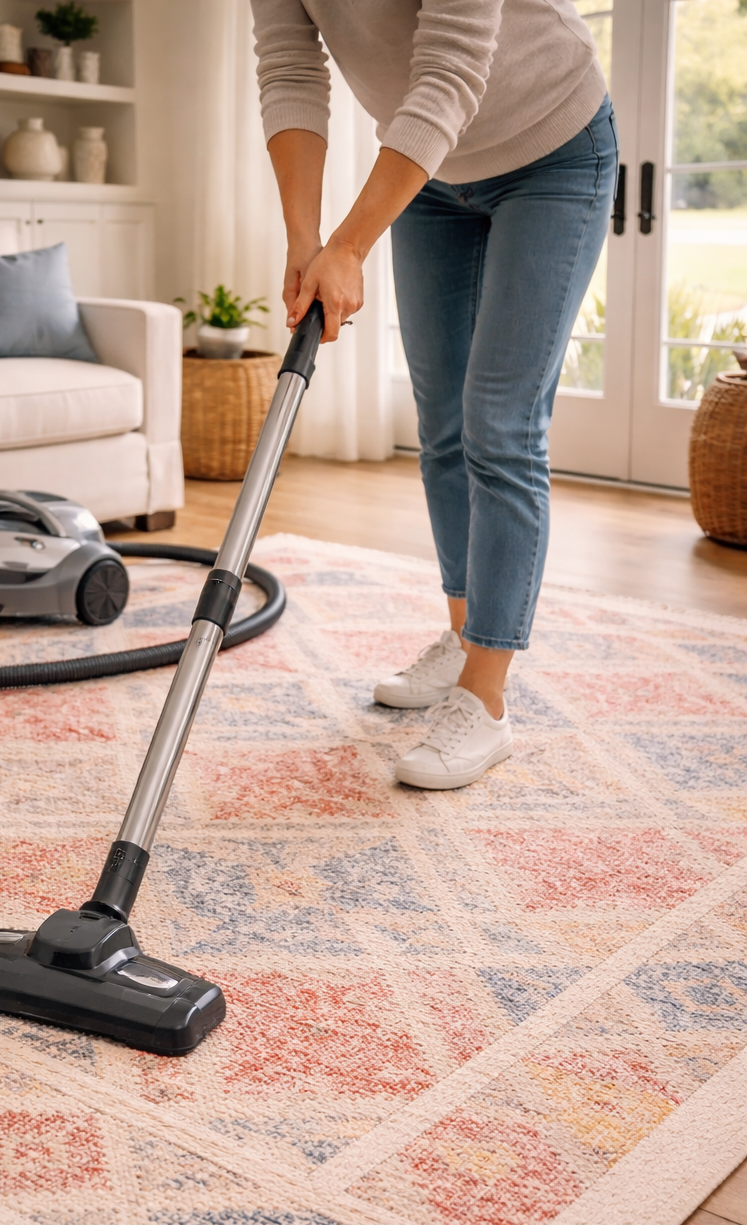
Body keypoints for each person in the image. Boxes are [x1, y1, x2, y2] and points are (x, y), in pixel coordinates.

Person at [252, 0, 617, 788]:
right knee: (444, 425)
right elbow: (289, 70)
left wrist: (350, 245)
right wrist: (305, 241)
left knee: (501, 423)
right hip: (430, 171)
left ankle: (484, 704)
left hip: (551, 148)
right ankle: (463, 635)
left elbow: (450, 67)